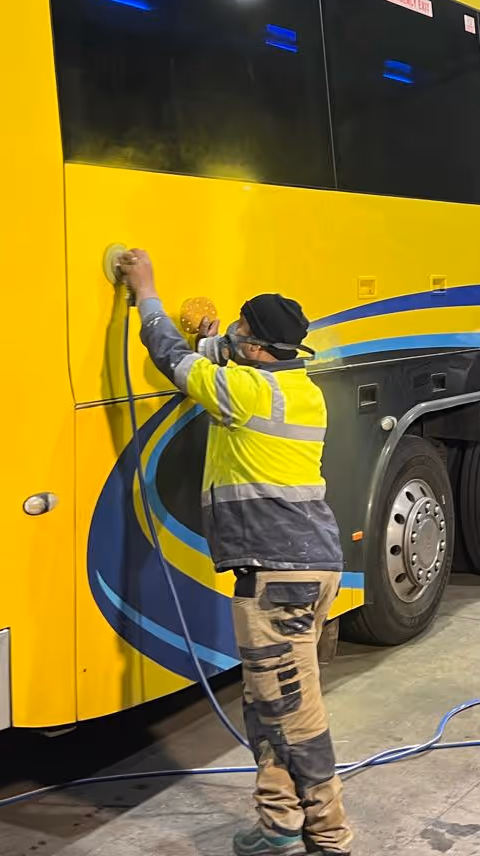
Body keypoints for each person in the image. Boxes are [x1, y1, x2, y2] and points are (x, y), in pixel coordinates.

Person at [117, 249, 354, 856]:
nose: (231, 335)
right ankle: (279, 821)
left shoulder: (241, 392)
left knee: (292, 712)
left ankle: (330, 833)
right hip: (311, 563)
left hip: (278, 578)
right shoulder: (298, 389)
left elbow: (170, 356)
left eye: (240, 331)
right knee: (266, 702)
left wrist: (146, 290)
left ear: (253, 349)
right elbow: (217, 354)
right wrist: (212, 334)